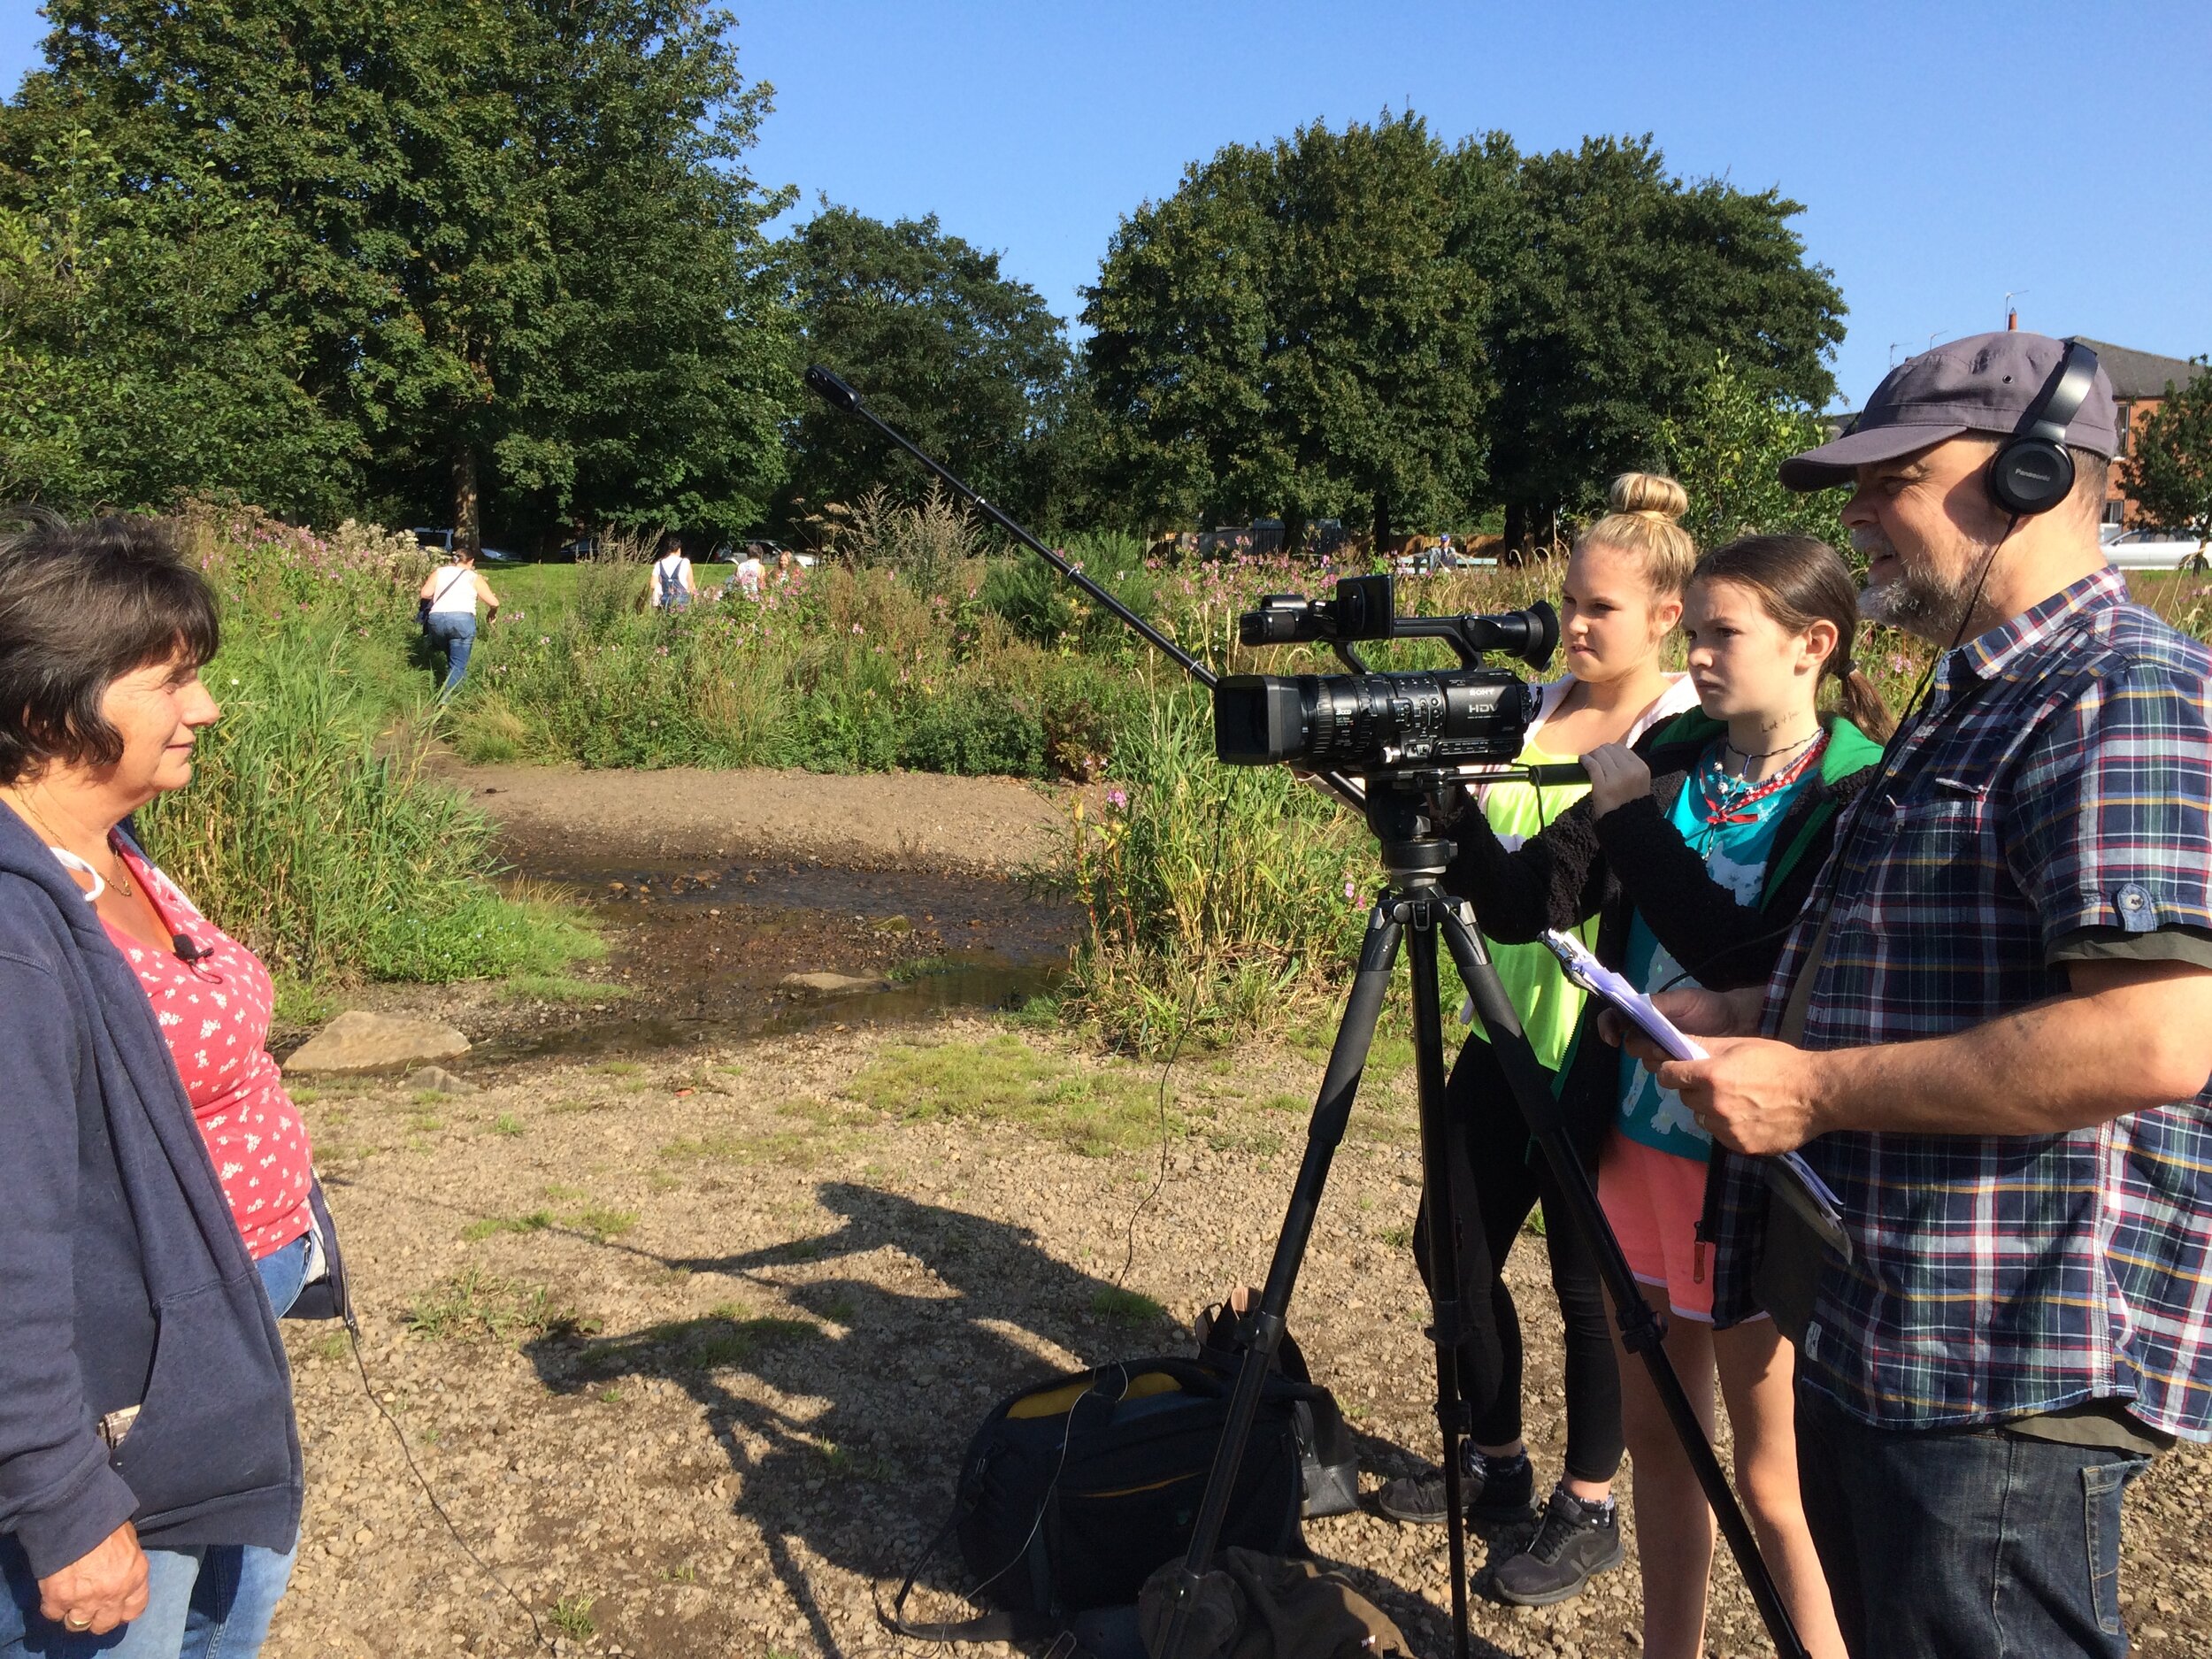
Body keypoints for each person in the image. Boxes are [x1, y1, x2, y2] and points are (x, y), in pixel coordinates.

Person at [1640, 333, 2212, 1659]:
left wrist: (1814, 1085)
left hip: (2001, 1366)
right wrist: (1767, 1018)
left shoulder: (2118, 695)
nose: (1853, 514)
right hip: (1897, 1334)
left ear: (2021, 474)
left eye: (1891, 475)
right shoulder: (1975, 698)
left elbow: (2157, 1032)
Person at [1446, 534, 1889, 1659]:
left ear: (1811, 646)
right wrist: (1429, 807)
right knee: (1662, 1449)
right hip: (1632, 1152)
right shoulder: (1681, 754)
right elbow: (1523, 905)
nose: (1692, 654)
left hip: (1746, 1175)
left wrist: (1636, 811)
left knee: (1769, 1474)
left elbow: (1740, 950)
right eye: (1687, 629)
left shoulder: (1852, 792)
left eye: (1719, 632)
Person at [0, 514, 325, 1657]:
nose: (206, 707)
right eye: (174, 679)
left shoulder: (109, 845)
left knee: (224, 1623)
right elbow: (9, 1248)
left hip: (201, 1362)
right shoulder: (13, 929)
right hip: (115, 1420)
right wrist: (63, 1502)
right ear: (53, 704)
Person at [1378, 473, 1701, 1606]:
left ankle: (1589, 1502)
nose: (1572, 623)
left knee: (1587, 1289)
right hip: (1496, 1019)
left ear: (1667, 615)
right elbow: (1473, 865)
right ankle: (1499, 1460)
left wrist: (1457, 813)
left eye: (1599, 609)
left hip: (1591, 1047)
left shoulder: (1668, 739)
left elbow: (1540, 896)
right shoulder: (1531, 703)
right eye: (1567, 598)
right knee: (1447, 1246)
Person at [418, 545, 497, 696]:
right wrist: (492, 613)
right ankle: (447, 702)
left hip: (436, 620)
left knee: (451, 655)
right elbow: (494, 602)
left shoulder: (439, 572)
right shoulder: (474, 577)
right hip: (462, 621)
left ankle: (451, 673)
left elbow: (425, 593)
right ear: (471, 561)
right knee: (458, 664)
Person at [651, 536, 697, 611]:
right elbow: (691, 585)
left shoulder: (659, 564)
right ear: (679, 549)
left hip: (665, 602)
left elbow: (653, 584)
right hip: (682, 601)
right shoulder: (685, 562)